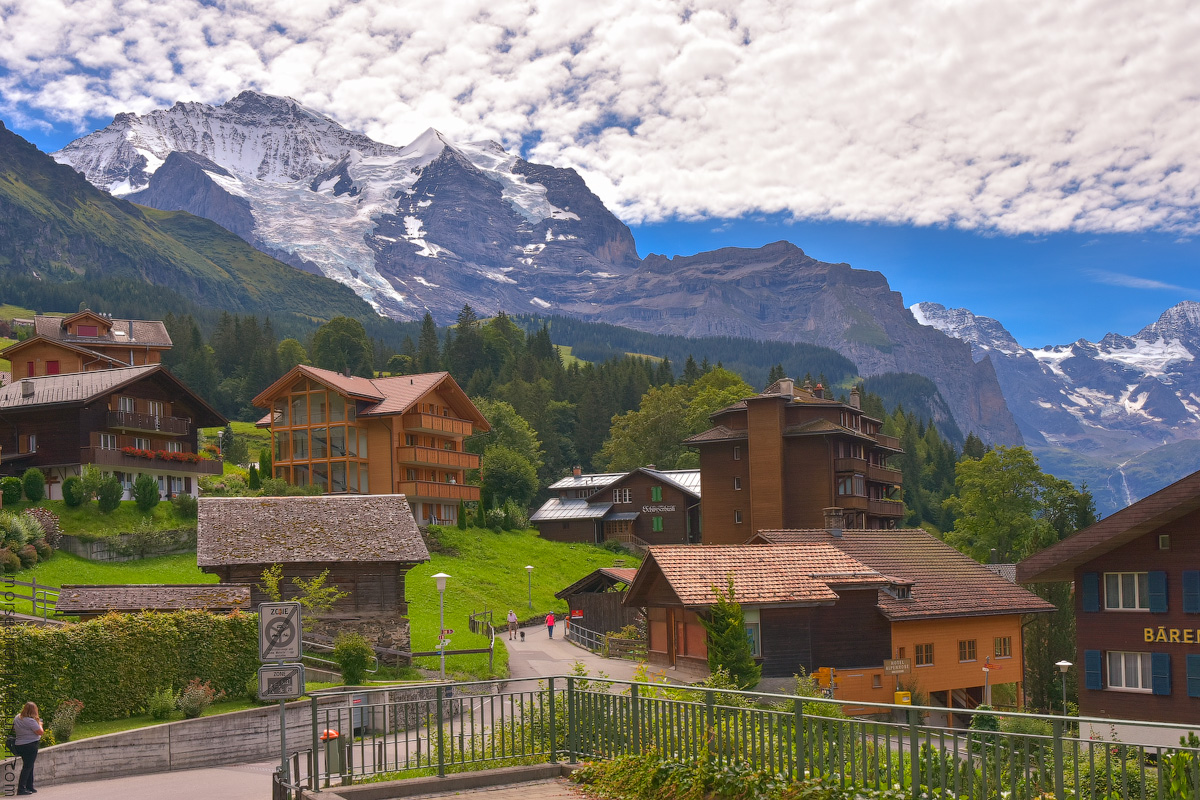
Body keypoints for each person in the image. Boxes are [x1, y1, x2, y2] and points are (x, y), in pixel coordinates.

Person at [12, 701, 43, 795]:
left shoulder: (17, 718)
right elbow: (40, 732)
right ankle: (21, 789)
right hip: (30, 745)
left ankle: (30, 786)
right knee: (27, 767)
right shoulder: (31, 721)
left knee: (29, 765)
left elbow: (14, 729)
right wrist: (40, 723)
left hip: (20, 744)